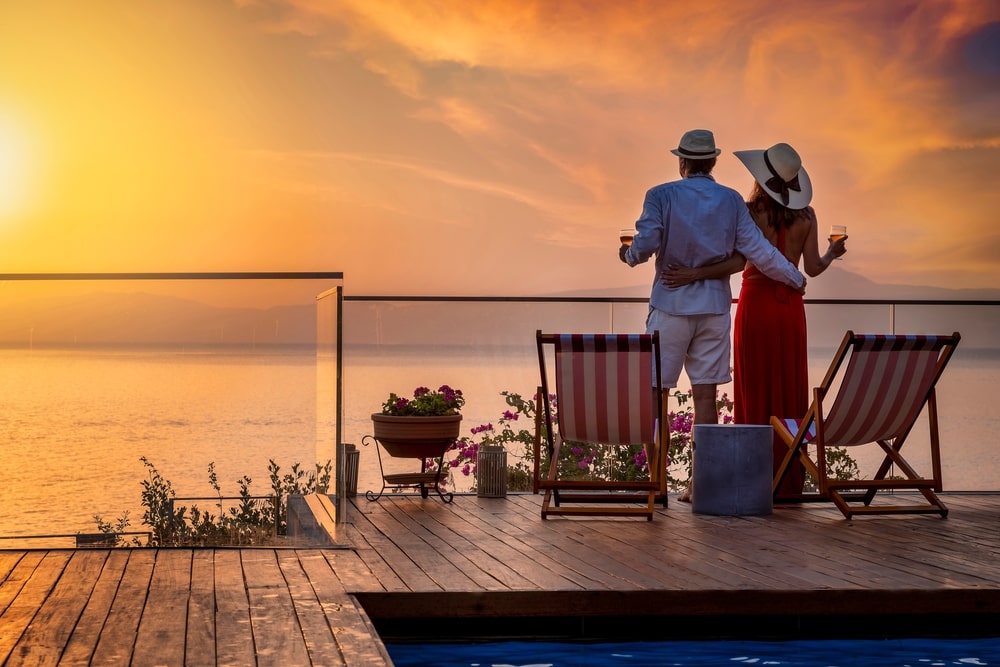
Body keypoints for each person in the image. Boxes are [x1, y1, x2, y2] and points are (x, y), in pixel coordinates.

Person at [619, 129, 807, 502]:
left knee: (657, 397)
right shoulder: (731, 200)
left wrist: (628, 255)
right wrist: (795, 278)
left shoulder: (660, 196)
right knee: (706, 396)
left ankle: (656, 485)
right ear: (714, 162)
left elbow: (644, 246)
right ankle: (699, 485)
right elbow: (758, 252)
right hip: (713, 309)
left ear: (682, 161)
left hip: (670, 307)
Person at [662, 142, 847, 498]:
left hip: (756, 307)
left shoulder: (748, 212)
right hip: (791, 309)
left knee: (754, 387)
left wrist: (690, 273)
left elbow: (732, 260)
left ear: (760, 178)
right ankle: (788, 481)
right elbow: (812, 269)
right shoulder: (807, 216)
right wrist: (832, 254)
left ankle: (750, 480)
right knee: (789, 387)